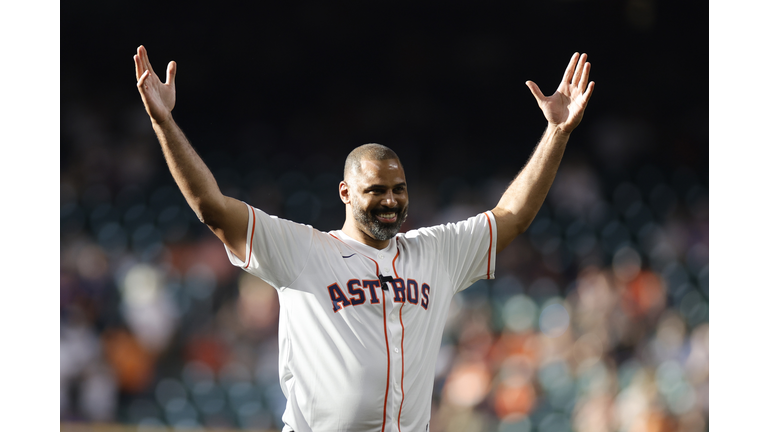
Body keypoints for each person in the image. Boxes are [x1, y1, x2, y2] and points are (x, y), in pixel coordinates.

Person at [133, 45, 594, 432]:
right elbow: (212, 208)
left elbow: (511, 217)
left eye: (399, 189)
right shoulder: (303, 251)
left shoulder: (435, 253)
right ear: (346, 193)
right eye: (376, 190)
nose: (391, 201)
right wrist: (164, 124)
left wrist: (556, 134)